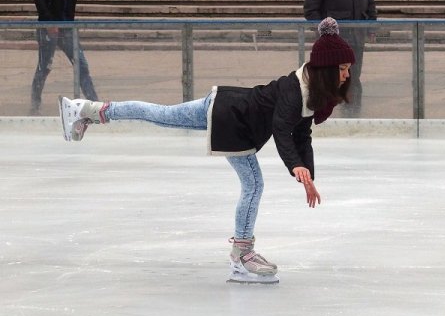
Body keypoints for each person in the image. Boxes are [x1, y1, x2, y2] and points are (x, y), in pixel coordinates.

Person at [58, 17, 355, 284]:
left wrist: (306, 173)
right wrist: (295, 166)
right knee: (252, 185)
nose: (347, 75)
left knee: (161, 114)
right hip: (232, 119)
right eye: (342, 68)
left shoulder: (309, 89)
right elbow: (281, 129)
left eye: (347, 69)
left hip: (228, 109)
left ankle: (89, 111)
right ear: (326, 69)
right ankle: (242, 255)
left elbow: (302, 133)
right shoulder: (295, 91)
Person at [31, 0, 99, 115]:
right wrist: (49, 23)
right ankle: (35, 104)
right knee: (44, 66)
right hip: (48, 28)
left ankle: (95, 105)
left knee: (81, 65)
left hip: (68, 29)